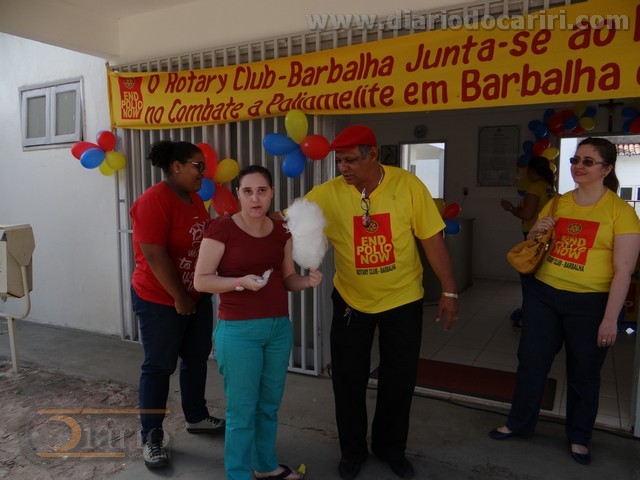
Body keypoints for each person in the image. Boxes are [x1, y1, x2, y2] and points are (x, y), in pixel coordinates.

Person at [303, 125, 459, 480]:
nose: (342, 167)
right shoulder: (327, 194)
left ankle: (390, 448)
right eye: (339, 161)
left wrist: (449, 290)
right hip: (351, 301)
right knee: (347, 379)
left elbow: (432, 240)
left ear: (372, 154)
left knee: (399, 379)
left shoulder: (408, 186)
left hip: (402, 300)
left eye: (350, 160)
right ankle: (352, 451)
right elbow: (288, 223)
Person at [489, 137, 640, 465]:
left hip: (590, 304)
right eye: (575, 160)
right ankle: (519, 422)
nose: (578, 166)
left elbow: (624, 271)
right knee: (531, 362)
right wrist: (537, 230)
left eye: (588, 161)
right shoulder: (558, 203)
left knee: (584, 371)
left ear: (606, 169)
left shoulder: (621, 213)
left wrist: (610, 319)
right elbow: (535, 242)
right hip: (544, 295)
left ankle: (579, 436)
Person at [193, 165, 322, 480]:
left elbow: (287, 278)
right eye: (248, 191)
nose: (255, 198)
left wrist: (306, 282)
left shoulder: (281, 232)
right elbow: (202, 280)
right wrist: (240, 282)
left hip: (278, 330)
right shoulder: (221, 229)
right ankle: (238, 473)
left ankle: (265, 465)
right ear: (238, 193)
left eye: (262, 191)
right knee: (242, 410)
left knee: (268, 405)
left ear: (271, 194)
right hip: (239, 332)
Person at [130, 140, 225, 470]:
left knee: (196, 358)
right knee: (158, 366)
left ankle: (196, 416)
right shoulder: (153, 201)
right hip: (160, 299)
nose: (203, 172)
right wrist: (179, 298)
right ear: (177, 167)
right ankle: (151, 436)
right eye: (198, 166)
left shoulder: (194, 198)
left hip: (194, 294)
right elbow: (154, 255)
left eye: (204, 167)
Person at [500, 156, 556, 327]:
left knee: (528, 278)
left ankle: (528, 317)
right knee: (539, 278)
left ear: (532, 171)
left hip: (533, 237)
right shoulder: (549, 188)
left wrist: (510, 208)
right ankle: (540, 315)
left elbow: (527, 214)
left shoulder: (535, 188)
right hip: (547, 237)